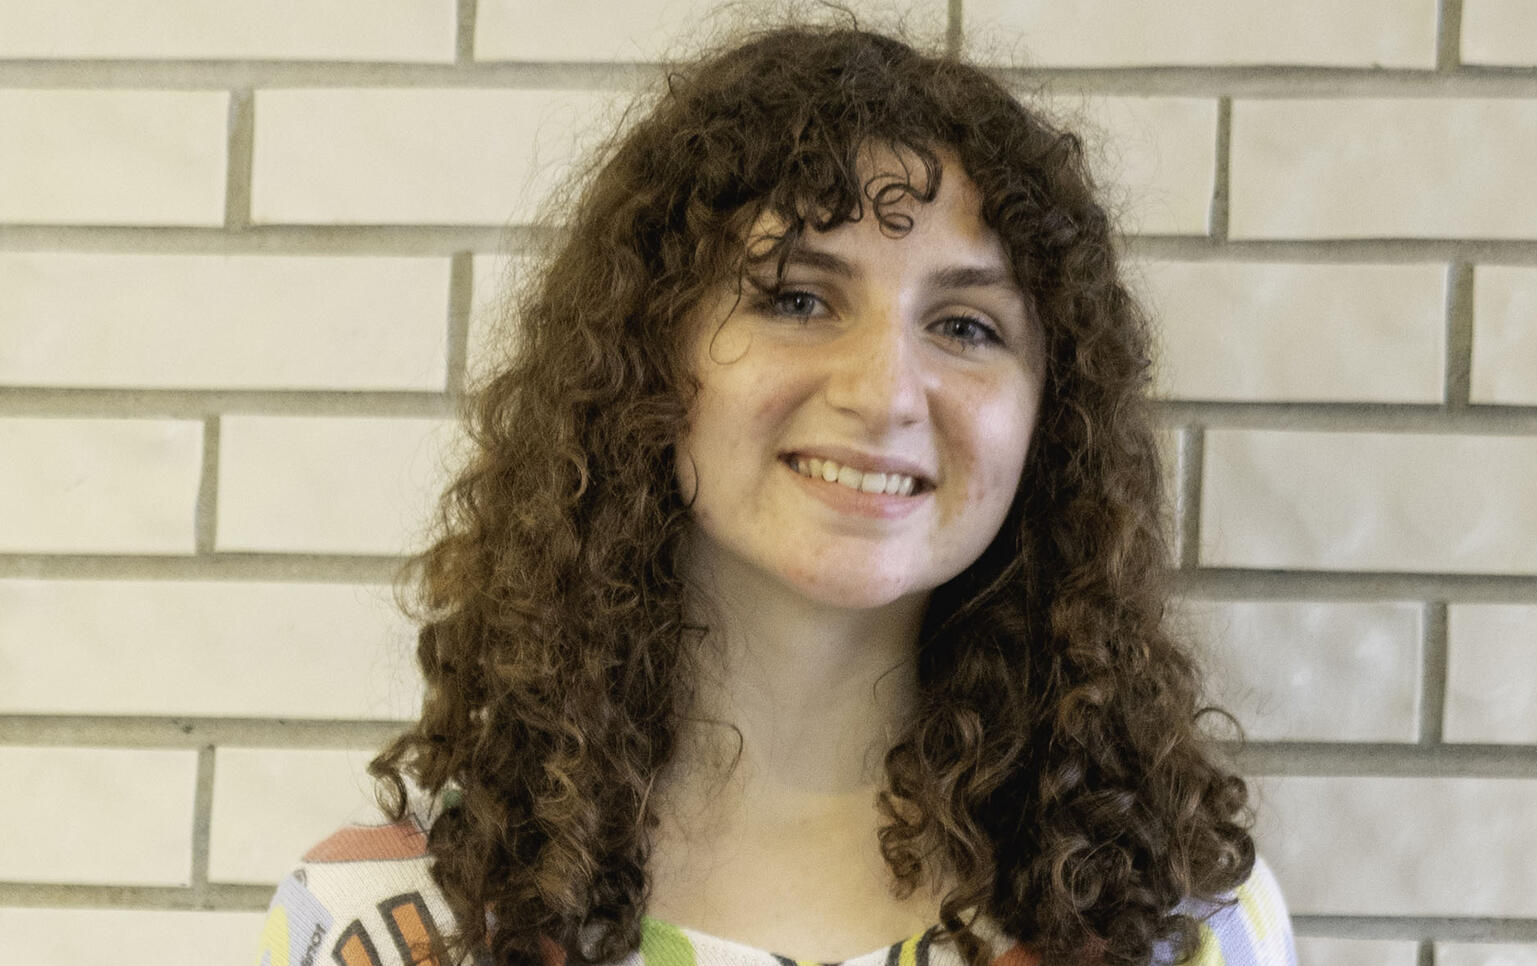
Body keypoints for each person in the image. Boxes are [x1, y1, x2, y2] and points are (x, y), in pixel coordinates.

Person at [255, 17, 1297, 966]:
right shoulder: (389, 926)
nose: (885, 392)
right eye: (799, 298)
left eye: (966, 327)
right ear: (644, 360)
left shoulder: (1181, 928)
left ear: (1049, 423)